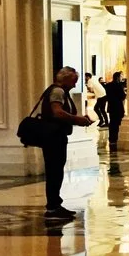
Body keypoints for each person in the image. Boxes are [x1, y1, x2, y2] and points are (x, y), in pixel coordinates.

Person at [27, 65, 95, 215]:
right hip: (53, 137)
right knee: (54, 171)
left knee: (56, 170)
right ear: (65, 80)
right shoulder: (58, 91)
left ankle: (55, 203)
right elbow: (57, 112)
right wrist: (78, 120)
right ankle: (53, 206)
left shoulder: (59, 91)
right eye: (74, 81)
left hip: (55, 136)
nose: (75, 84)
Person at [100, 69, 129, 155]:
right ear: (117, 77)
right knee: (117, 123)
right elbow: (123, 96)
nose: (121, 78)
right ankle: (115, 138)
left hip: (111, 106)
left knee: (112, 123)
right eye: (121, 77)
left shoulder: (108, 85)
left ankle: (111, 138)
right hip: (118, 107)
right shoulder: (119, 86)